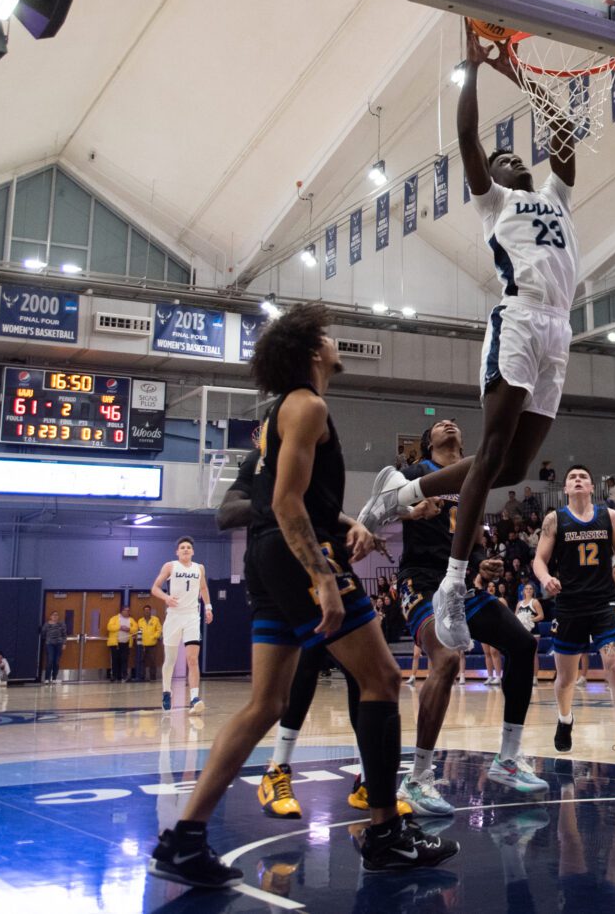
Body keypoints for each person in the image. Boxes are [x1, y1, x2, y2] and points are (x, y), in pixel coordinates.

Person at [146, 303, 455, 889]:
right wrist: (320, 575)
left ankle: (184, 838)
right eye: (329, 338)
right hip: (291, 558)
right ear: (314, 351)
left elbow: (292, 500)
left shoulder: (280, 414)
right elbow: (287, 505)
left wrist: (345, 523)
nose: (337, 343)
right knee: (383, 679)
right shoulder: (308, 405)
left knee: (265, 703)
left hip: (266, 560)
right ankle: (386, 832)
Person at [355, 21, 581, 658]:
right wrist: (476, 68)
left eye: (517, 158)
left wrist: (523, 73)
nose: (511, 161)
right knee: (491, 452)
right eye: (503, 159)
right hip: (519, 318)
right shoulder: (494, 203)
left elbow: (562, 135)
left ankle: (400, 494)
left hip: (560, 330)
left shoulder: (557, 197)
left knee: (509, 469)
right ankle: (452, 585)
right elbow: (466, 139)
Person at [384, 418, 549, 817]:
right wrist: (412, 510)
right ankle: (418, 778)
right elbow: (380, 508)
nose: (447, 423)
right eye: (438, 425)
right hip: (420, 580)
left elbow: (472, 534)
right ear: (427, 444)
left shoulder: (474, 477)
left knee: (523, 643)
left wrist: (481, 564)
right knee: (444, 659)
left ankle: (507, 759)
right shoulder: (415, 473)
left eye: (454, 422)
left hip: (460, 584)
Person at [217, 445, 379, 821]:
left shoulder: (315, 452)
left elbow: (317, 508)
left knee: (368, 677)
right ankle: (278, 771)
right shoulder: (259, 462)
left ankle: (370, 782)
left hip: (318, 558)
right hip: (283, 564)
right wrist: (284, 502)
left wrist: (352, 524)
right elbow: (225, 514)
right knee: (288, 689)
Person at [535, 465, 615, 763]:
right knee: (566, 678)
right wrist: (545, 579)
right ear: (565, 489)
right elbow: (539, 559)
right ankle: (565, 721)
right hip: (569, 605)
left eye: (583, 477)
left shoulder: (610, 516)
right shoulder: (555, 519)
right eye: (572, 478)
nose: (578, 480)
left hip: (605, 602)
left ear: (592, 487)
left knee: (614, 665)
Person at [151, 537, 213, 713]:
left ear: (193, 551)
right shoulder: (170, 566)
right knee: (170, 659)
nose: (186, 549)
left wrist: (208, 607)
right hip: (174, 617)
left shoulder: (199, 568)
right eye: (182, 547)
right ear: (177, 552)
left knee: (192, 659)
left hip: (192, 616)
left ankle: (194, 698)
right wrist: (166, 597)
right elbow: (154, 588)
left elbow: (203, 589)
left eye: (188, 547)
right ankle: (166, 692)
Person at [515, 582, 545, 680]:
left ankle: (535, 677)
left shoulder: (535, 602)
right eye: (526, 588)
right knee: (522, 654)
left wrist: (529, 619)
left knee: (533, 654)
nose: (528, 590)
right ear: (523, 591)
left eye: (530, 589)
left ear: (533, 591)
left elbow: (541, 616)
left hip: (534, 632)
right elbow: (515, 617)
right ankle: (524, 675)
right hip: (522, 633)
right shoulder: (519, 603)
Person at [108, 605, 134, 683]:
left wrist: (129, 629)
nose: (127, 612)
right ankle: (114, 675)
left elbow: (135, 628)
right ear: (121, 611)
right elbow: (109, 627)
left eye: (128, 610)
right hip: (116, 643)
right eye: (126, 610)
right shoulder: (114, 618)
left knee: (124, 660)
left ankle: (124, 675)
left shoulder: (131, 620)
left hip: (126, 643)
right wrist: (120, 627)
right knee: (115, 659)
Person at [136, 605, 162, 683]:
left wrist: (155, 636)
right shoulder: (140, 621)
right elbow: (138, 631)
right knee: (142, 661)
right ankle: (142, 677)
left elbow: (159, 630)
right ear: (143, 612)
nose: (147, 612)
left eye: (148, 610)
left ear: (150, 611)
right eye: (145, 610)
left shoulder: (155, 620)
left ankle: (153, 677)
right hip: (143, 644)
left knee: (152, 661)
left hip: (152, 644)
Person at [41, 611, 67, 684]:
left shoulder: (61, 624)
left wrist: (64, 643)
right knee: (50, 660)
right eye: (53, 615)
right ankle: (47, 678)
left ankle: (54, 678)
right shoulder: (46, 624)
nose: (55, 616)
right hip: (49, 644)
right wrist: (47, 640)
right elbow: (43, 633)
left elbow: (64, 634)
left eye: (56, 615)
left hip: (59, 644)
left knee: (56, 661)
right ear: (50, 617)